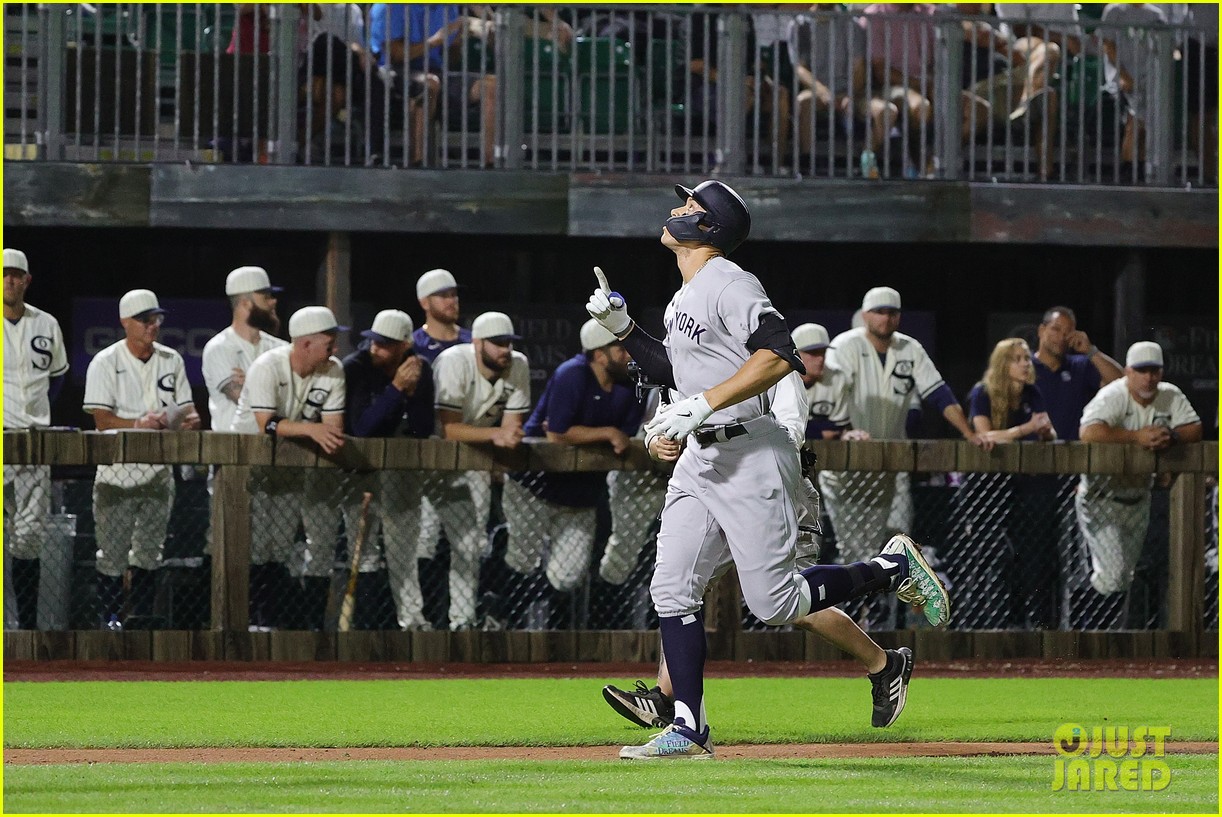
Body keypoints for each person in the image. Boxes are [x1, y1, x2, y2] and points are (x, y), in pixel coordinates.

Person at [585, 179, 949, 759]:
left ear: (709, 229)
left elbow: (782, 354)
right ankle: (688, 726)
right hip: (702, 458)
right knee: (672, 589)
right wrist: (625, 331)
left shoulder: (730, 281)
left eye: (691, 206)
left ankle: (890, 564)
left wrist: (704, 405)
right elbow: (677, 372)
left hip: (750, 453)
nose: (677, 209)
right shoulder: (685, 295)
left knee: (775, 603)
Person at [603, 367, 916, 732]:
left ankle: (884, 659)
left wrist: (740, 447)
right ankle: (667, 697)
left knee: (789, 602)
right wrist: (656, 442)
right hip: (711, 483)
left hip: (775, 487)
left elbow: (790, 430)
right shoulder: (696, 357)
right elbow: (660, 424)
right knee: (681, 590)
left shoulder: (770, 358)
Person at [823, 286, 984, 629]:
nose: (886, 317)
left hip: (890, 466)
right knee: (856, 551)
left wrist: (969, 433)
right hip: (848, 466)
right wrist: (842, 430)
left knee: (900, 542)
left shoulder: (910, 348)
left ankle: (887, 622)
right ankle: (855, 622)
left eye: (892, 312)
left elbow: (937, 392)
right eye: (879, 311)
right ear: (866, 315)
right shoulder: (845, 345)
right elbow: (830, 390)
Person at [500, 319, 645, 626]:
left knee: (566, 577)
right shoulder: (572, 373)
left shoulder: (631, 385)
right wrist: (604, 433)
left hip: (581, 492)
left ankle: (542, 624)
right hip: (535, 485)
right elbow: (557, 435)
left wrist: (593, 436)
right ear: (599, 354)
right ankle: (498, 613)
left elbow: (624, 439)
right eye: (619, 348)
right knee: (521, 563)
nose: (628, 354)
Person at [84, 289, 201, 630]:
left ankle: (141, 621)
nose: (153, 326)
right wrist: (137, 424)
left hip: (159, 472)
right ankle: (109, 621)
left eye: (157, 319)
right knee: (112, 553)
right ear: (125, 322)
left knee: (151, 550)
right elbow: (101, 419)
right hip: (116, 474)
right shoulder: (106, 361)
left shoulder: (171, 359)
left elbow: (188, 409)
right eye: (145, 320)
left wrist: (189, 421)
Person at [231, 306, 348, 631]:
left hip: (290, 465)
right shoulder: (267, 366)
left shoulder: (334, 370)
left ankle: (268, 621)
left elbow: (333, 428)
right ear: (306, 344)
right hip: (246, 465)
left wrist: (316, 431)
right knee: (251, 545)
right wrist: (312, 430)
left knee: (279, 546)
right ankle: (245, 621)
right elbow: (265, 424)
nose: (335, 349)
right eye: (329, 342)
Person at [1076, 341, 1202, 629]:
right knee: (1113, 576)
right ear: (1128, 372)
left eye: (1154, 371)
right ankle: (1085, 618)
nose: (1149, 377)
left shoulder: (1169, 395)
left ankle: (1104, 637)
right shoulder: (1114, 394)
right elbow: (1089, 432)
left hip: (1138, 497)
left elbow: (1194, 428)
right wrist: (1136, 437)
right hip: (1101, 496)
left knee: (1124, 576)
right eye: (1142, 371)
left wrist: (1171, 436)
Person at [431, 310, 531, 630]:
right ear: (477, 343)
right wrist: (495, 435)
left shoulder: (518, 365)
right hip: (428, 463)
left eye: (508, 343)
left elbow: (511, 429)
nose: (505, 350)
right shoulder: (453, 361)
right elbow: (448, 429)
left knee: (470, 544)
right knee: (422, 545)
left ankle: (460, 620)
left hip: (474, 463)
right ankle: (418, 622)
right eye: (497, 343)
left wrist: (503, 437)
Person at [949, 338, 1057, 629]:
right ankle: (974, 620)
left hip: (1019, 486)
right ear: (1003, 364)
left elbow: (1045, 429)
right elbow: (984, 436)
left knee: (1025, 555)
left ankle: (1020, 620)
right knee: (988, 554)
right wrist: (1027, 429)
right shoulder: (982, 392)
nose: (1025, 363)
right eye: (1017, 359)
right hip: (984, 487)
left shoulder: (1032, 392)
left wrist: (1045, 433)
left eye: (1026, 358)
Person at [341, 308, 435, 630]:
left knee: (403, 551)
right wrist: (396, 390)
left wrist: (410, 395)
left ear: (404, 345)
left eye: (384, 344)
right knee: (362, 552)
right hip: (358, 469)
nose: (375, 349)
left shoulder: (420, 370)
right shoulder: (355, 368)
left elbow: (422, 429)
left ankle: (410, 622)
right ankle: (362, 627)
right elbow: (361, 429)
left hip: (401, 470)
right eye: (373, 342)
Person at [3, 248, 69, 631]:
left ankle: (25, 629)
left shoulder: (46, 323)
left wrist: (40, 415)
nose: (10, 280)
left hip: (33, 442)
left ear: (27, 280)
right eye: (4, 274)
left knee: (28, 538)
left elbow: (58, 375)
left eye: (16, 275)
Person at [201, 266, 286, 436]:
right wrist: (275, 386)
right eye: (266, 296)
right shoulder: (219, 348)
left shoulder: (280, 348)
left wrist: (250, 383)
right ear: (245, 303)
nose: (273, 301)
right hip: (231, 453)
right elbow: (244, 400)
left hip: (275, 451)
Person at [792, 322, 852, 440]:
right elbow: (779, 425)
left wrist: (809, 429)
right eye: (813, 353)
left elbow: (837, 428)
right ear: (796, 354)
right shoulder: (781, 380)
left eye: (823, 352)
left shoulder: (837, 378)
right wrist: (818, 432)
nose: (821, 358)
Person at [413, 268, 471, 364]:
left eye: (454, 294)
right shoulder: (415, 346)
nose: (451, 301)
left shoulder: (471, 341)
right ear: (425, 303)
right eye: (443, 296)